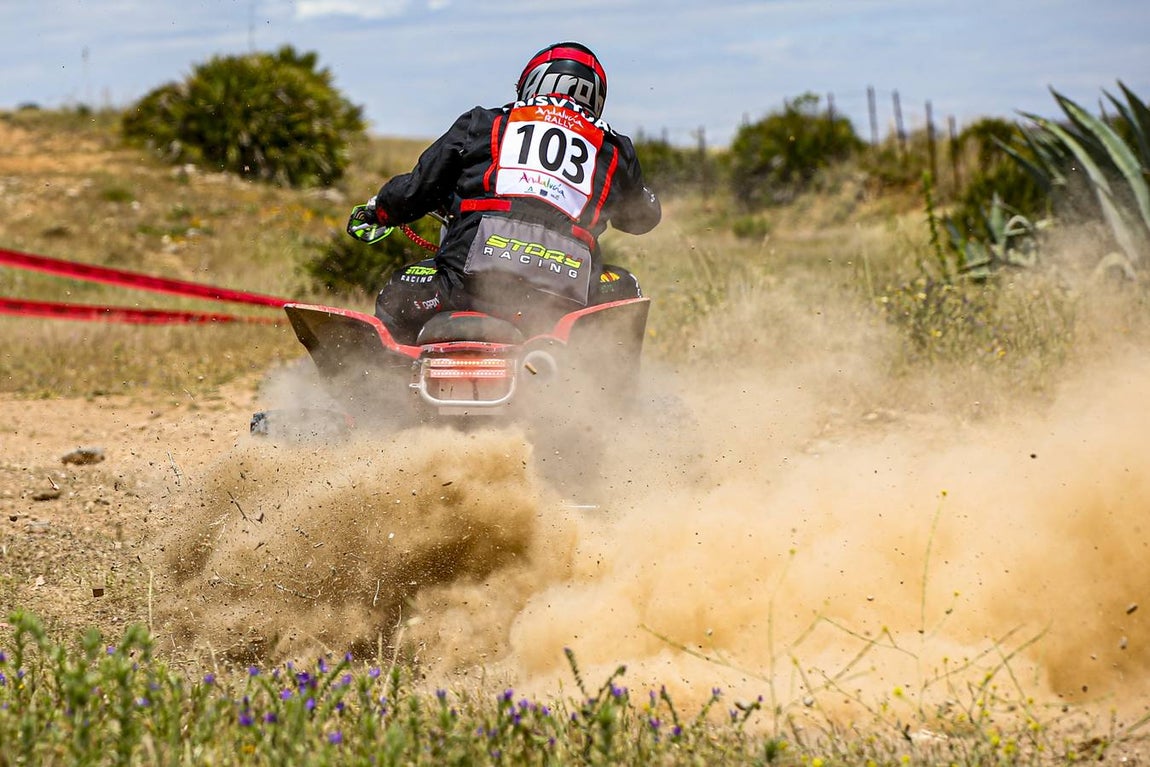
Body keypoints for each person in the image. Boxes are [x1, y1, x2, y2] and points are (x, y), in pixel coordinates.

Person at [349, 41, 661, 341]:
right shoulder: (614, 149)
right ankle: (615, 394)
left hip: (464, 286)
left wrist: (380, 211)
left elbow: (417, 189)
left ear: (533, 83)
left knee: (398, 292)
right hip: (563, 302)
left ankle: (385, 386)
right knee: (624, 288)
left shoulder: (484, 122)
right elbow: (641, 218)